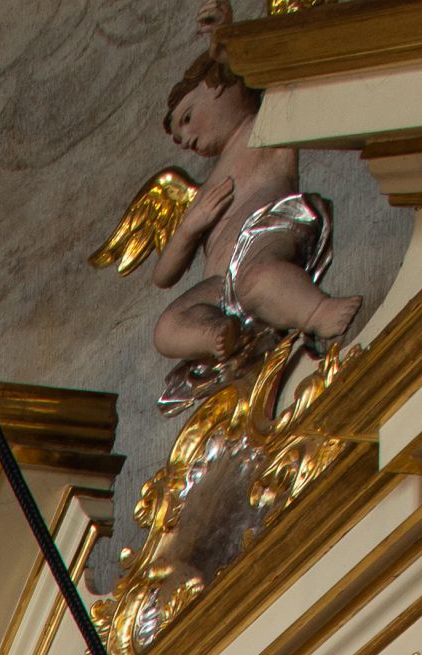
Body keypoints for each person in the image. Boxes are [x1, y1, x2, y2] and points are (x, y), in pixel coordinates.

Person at [149, 21, 358, 397]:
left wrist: (223, 39)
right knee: (166, 328)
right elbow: (164, 275)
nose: (188, 139)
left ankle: (318, 312)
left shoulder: (264, 131)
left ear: (219, 87)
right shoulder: (205, 190)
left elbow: (275, 72)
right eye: (181, 139)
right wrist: (190, 227)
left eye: (188, 119)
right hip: (220, 283)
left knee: (260, 279)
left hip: (269, 232)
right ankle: (217, 333)